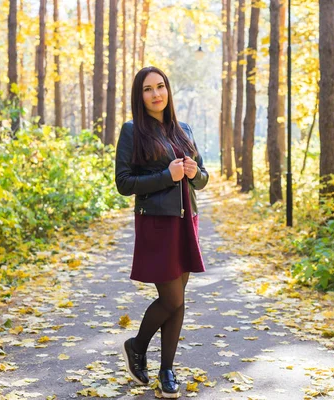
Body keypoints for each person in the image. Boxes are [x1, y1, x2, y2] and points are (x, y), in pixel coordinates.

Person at [115, 66, 209, 398]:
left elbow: (203, 176)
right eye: (147, 89)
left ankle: (167, 368)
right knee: (172, 298)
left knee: (178, 301)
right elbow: (124, 184)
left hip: (187, 220)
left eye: (160, 86)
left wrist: (196, 172)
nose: (156, 94)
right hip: (157, 222)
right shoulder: (132, 131)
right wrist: (165, 177)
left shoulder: (183, 129)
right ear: (139, 96)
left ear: (168, 90)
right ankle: (137, 345)